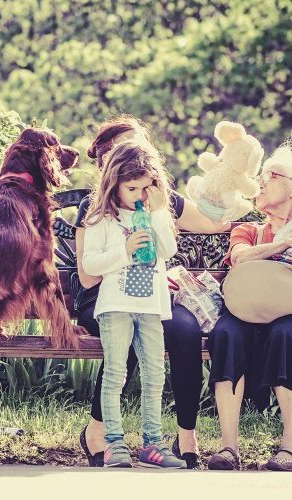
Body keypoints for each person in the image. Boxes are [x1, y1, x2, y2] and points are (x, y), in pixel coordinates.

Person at [76, 116, 230, 468]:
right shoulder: (97, 209)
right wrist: (126, 250)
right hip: (107, 297)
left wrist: (254, 218)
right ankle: (104, 434)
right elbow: (88, 275)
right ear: (109, 163)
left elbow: (206, 227)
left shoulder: (158, 201)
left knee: (182, 333)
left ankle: (176, 437)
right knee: (124, 349)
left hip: (150, 298)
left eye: (143, 149)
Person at [207, 145, 292, 472]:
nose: (260, 183)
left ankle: (291, 447)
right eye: (261, 176)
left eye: (270, 176)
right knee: (225, 333)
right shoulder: (250, 228)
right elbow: (237, 257)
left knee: (286, 333)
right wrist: (284, 244)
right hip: (248, 305)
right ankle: (228, 447)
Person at [82, 139, 183, 468]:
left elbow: (167, 251)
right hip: (115, 307)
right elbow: (91, 266)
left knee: (155, 375)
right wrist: (123, 251)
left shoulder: (156, 215)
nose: (139, 194)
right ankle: (114, 442)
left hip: (152, 307)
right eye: (132, 188)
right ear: (114, 185)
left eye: (145, 187)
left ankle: (153, 443)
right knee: (115, 374)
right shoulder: (102, 219)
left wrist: (155, 215)